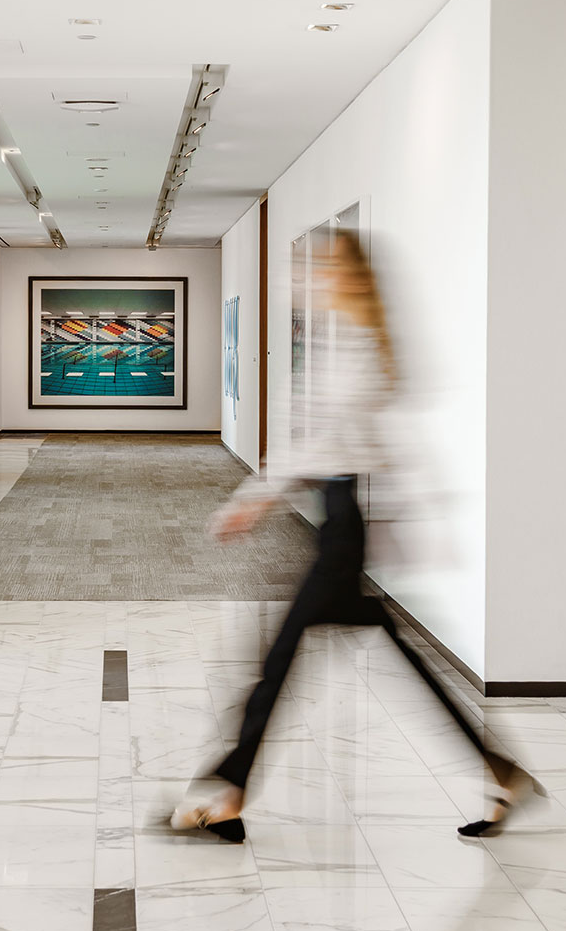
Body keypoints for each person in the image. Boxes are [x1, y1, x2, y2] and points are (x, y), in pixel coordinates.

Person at [171, 229, 537, 842]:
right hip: (339, 518)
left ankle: (230, 791)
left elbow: (323, 441)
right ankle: (499, 770)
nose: (307, 277)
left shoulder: (357, 346)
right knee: (375, 655)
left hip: (344, 527)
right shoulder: (340, 339)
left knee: (279, 658)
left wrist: (253, 499)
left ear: (349, 277)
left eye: (321, 267)